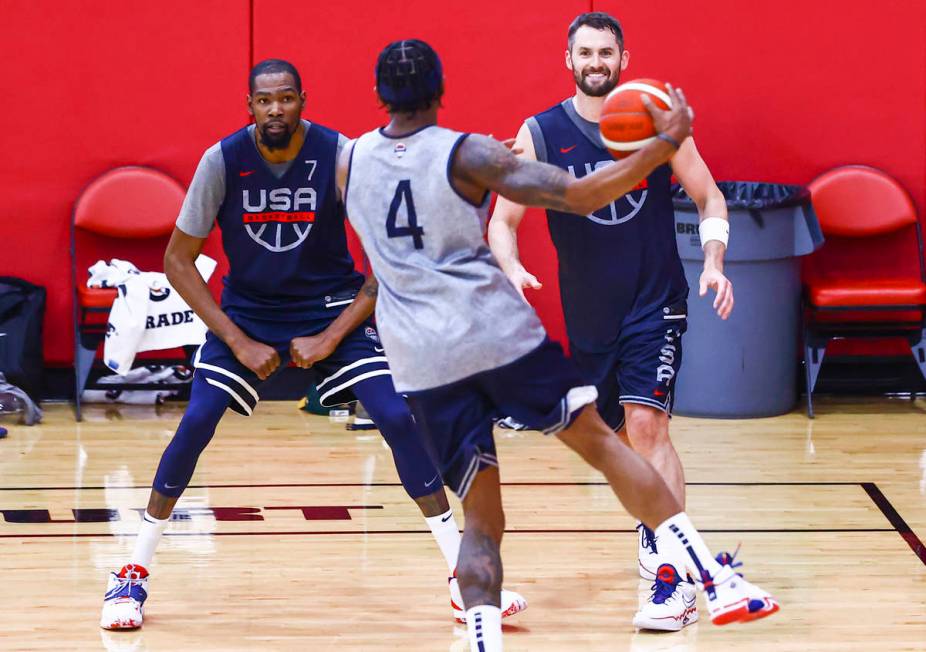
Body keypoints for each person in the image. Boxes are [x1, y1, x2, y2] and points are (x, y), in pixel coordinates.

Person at [342, 39, 778, 651]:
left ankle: (486, 640)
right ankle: (716, 577)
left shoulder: (349, 161)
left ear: (378, 95)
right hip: (498, 335)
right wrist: (660, 144)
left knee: (483, 519)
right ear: (441, 91)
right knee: (605, 444)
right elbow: (577, 196)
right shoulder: (471, 153)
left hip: (424, 358)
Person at [99, 59, 525, 631]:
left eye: (286, 99)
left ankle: (461, 575)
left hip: (330, 310)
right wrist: (237, 339)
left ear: (303, 100)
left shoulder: (341, 156)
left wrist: (331, 335)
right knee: (196, 419)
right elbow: (177, 259)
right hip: (248, 316)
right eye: (264, 101)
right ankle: (130, 572)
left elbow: (395, 245)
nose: (276, 109)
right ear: (249, 106)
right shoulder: (222, 161)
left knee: (398, 417)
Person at [488, 12, 734, 631]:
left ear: (623, 58)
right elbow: (502, 221)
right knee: (624, 445)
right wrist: (511, 268)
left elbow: (708, 195)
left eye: (606, 52)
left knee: (650, 431)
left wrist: (713, 259)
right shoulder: (541, 133)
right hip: (589, 319)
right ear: (568, 61)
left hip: (656, 302)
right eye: (585, 53)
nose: (596, 62)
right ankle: (669, 551)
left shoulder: (653, 116)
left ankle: (669, 584)